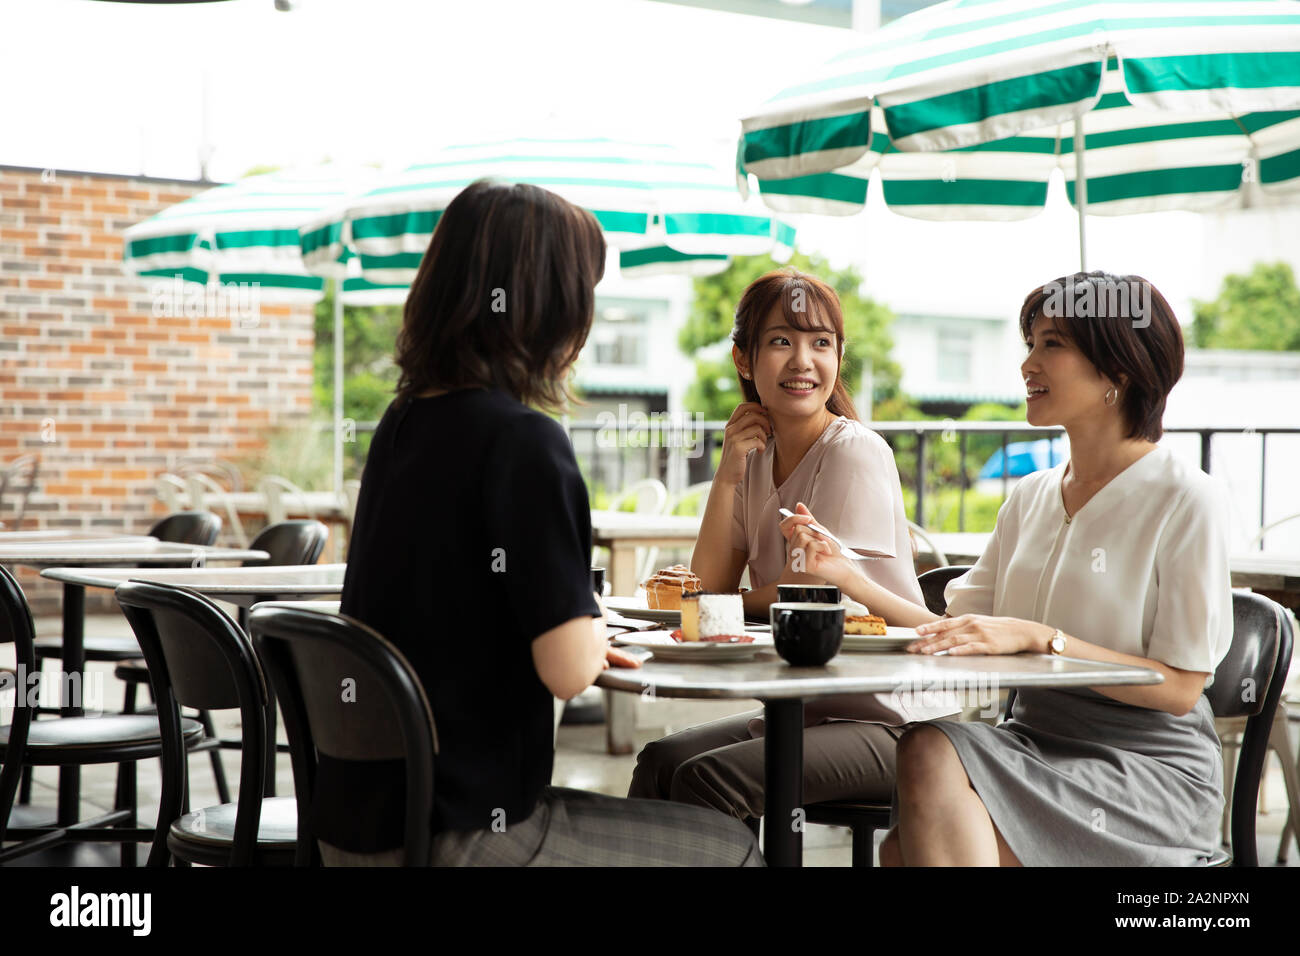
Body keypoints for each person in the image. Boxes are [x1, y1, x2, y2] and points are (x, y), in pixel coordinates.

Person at [334, 179, 762, 866]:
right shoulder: (523, 442)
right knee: (733, 848)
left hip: (362, 827)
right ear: (554, 306)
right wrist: (586, 630)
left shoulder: (402, 423)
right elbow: (566, 672)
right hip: (469, 833)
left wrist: (572, 626)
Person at [781, 271, 1232, 866]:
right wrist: (846, 575)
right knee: (926, 763)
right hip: (1030, 745)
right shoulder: (1031, 496)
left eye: (1053, 345)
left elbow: (1178, 687)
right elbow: (946, 629)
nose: (1027, 365)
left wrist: (1044, 640)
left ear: (1118, 373)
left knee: (916, 815)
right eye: (1030, 344)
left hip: (1145, 771)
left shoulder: (1185, 497)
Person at [629, 269, 958, 822]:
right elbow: (709, 589)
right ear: (743, 358)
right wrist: (728, 475)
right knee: (661, 761)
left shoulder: (853, 450)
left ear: (838, 357)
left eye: (820, 343)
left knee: (707, 779)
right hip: (806, 711)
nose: (803, 361)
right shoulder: (753, 456)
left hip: (894, 720)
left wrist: (726, 601)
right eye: (782, 341)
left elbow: (810, 592)